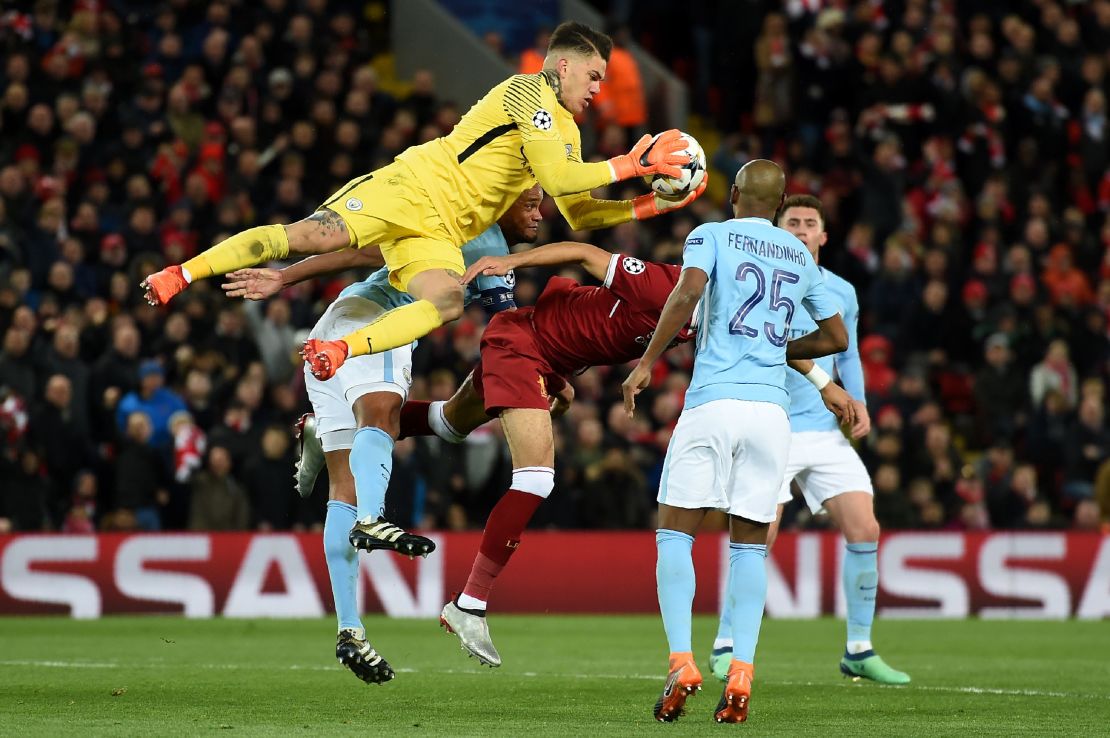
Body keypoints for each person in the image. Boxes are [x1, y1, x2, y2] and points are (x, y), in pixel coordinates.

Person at [383, 239, 853, 670]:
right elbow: (585, 253)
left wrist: (825, 384)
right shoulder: (666, 283)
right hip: (521, 346)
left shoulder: (710, 316)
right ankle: (470, 604)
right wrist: (511, 262)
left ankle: (347, 428)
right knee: (535, 478)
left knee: (448, 423)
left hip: (544, 355)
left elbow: (771, 344)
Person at [142, 22, 703, 369]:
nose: (598, 89)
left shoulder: (569, 132)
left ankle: (336, 351)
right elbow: (558, 180)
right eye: (594, 75)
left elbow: (576, 211)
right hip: (412, 189)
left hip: (442, 231)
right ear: (564, 65)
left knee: (446, 302)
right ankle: (181, 274)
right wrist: (631, 165)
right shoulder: (528, 91)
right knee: (302, 237)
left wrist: (646, 204)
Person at [220, 186, 543, 685]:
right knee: (384, 419)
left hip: (332, 331)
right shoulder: (467, 232)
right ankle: (374, 518)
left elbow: (504, 329)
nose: (539, 214)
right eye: (530, 204)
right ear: (501, 205)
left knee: (341, 491)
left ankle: (350, 628)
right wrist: (284, 276)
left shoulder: (496, 252)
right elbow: (360, 250)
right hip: (375, 324)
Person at [622, 160, 848, 724]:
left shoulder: (712, 235)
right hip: (772, 413)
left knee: (675, 533)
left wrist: (648, 361)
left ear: (736, 196)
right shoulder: (799, 254)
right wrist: (779, 350)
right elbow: (837, 335)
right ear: (777, 207)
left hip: (714, 403)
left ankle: (682, 662)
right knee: (749, 544)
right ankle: (742, 669)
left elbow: (687, 292)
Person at [708, 195, 911, 687]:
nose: (800, 229)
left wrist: (857, 402)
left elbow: (851, 355)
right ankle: (726, 642)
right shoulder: (757, 279)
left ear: (824, 236)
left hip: (822, 430)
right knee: (760, 535)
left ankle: (859, 650)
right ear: (777, 231)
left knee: (865, 528)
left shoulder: (841, 291)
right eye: (791, 222)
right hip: (771, 421)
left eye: (809, 223)